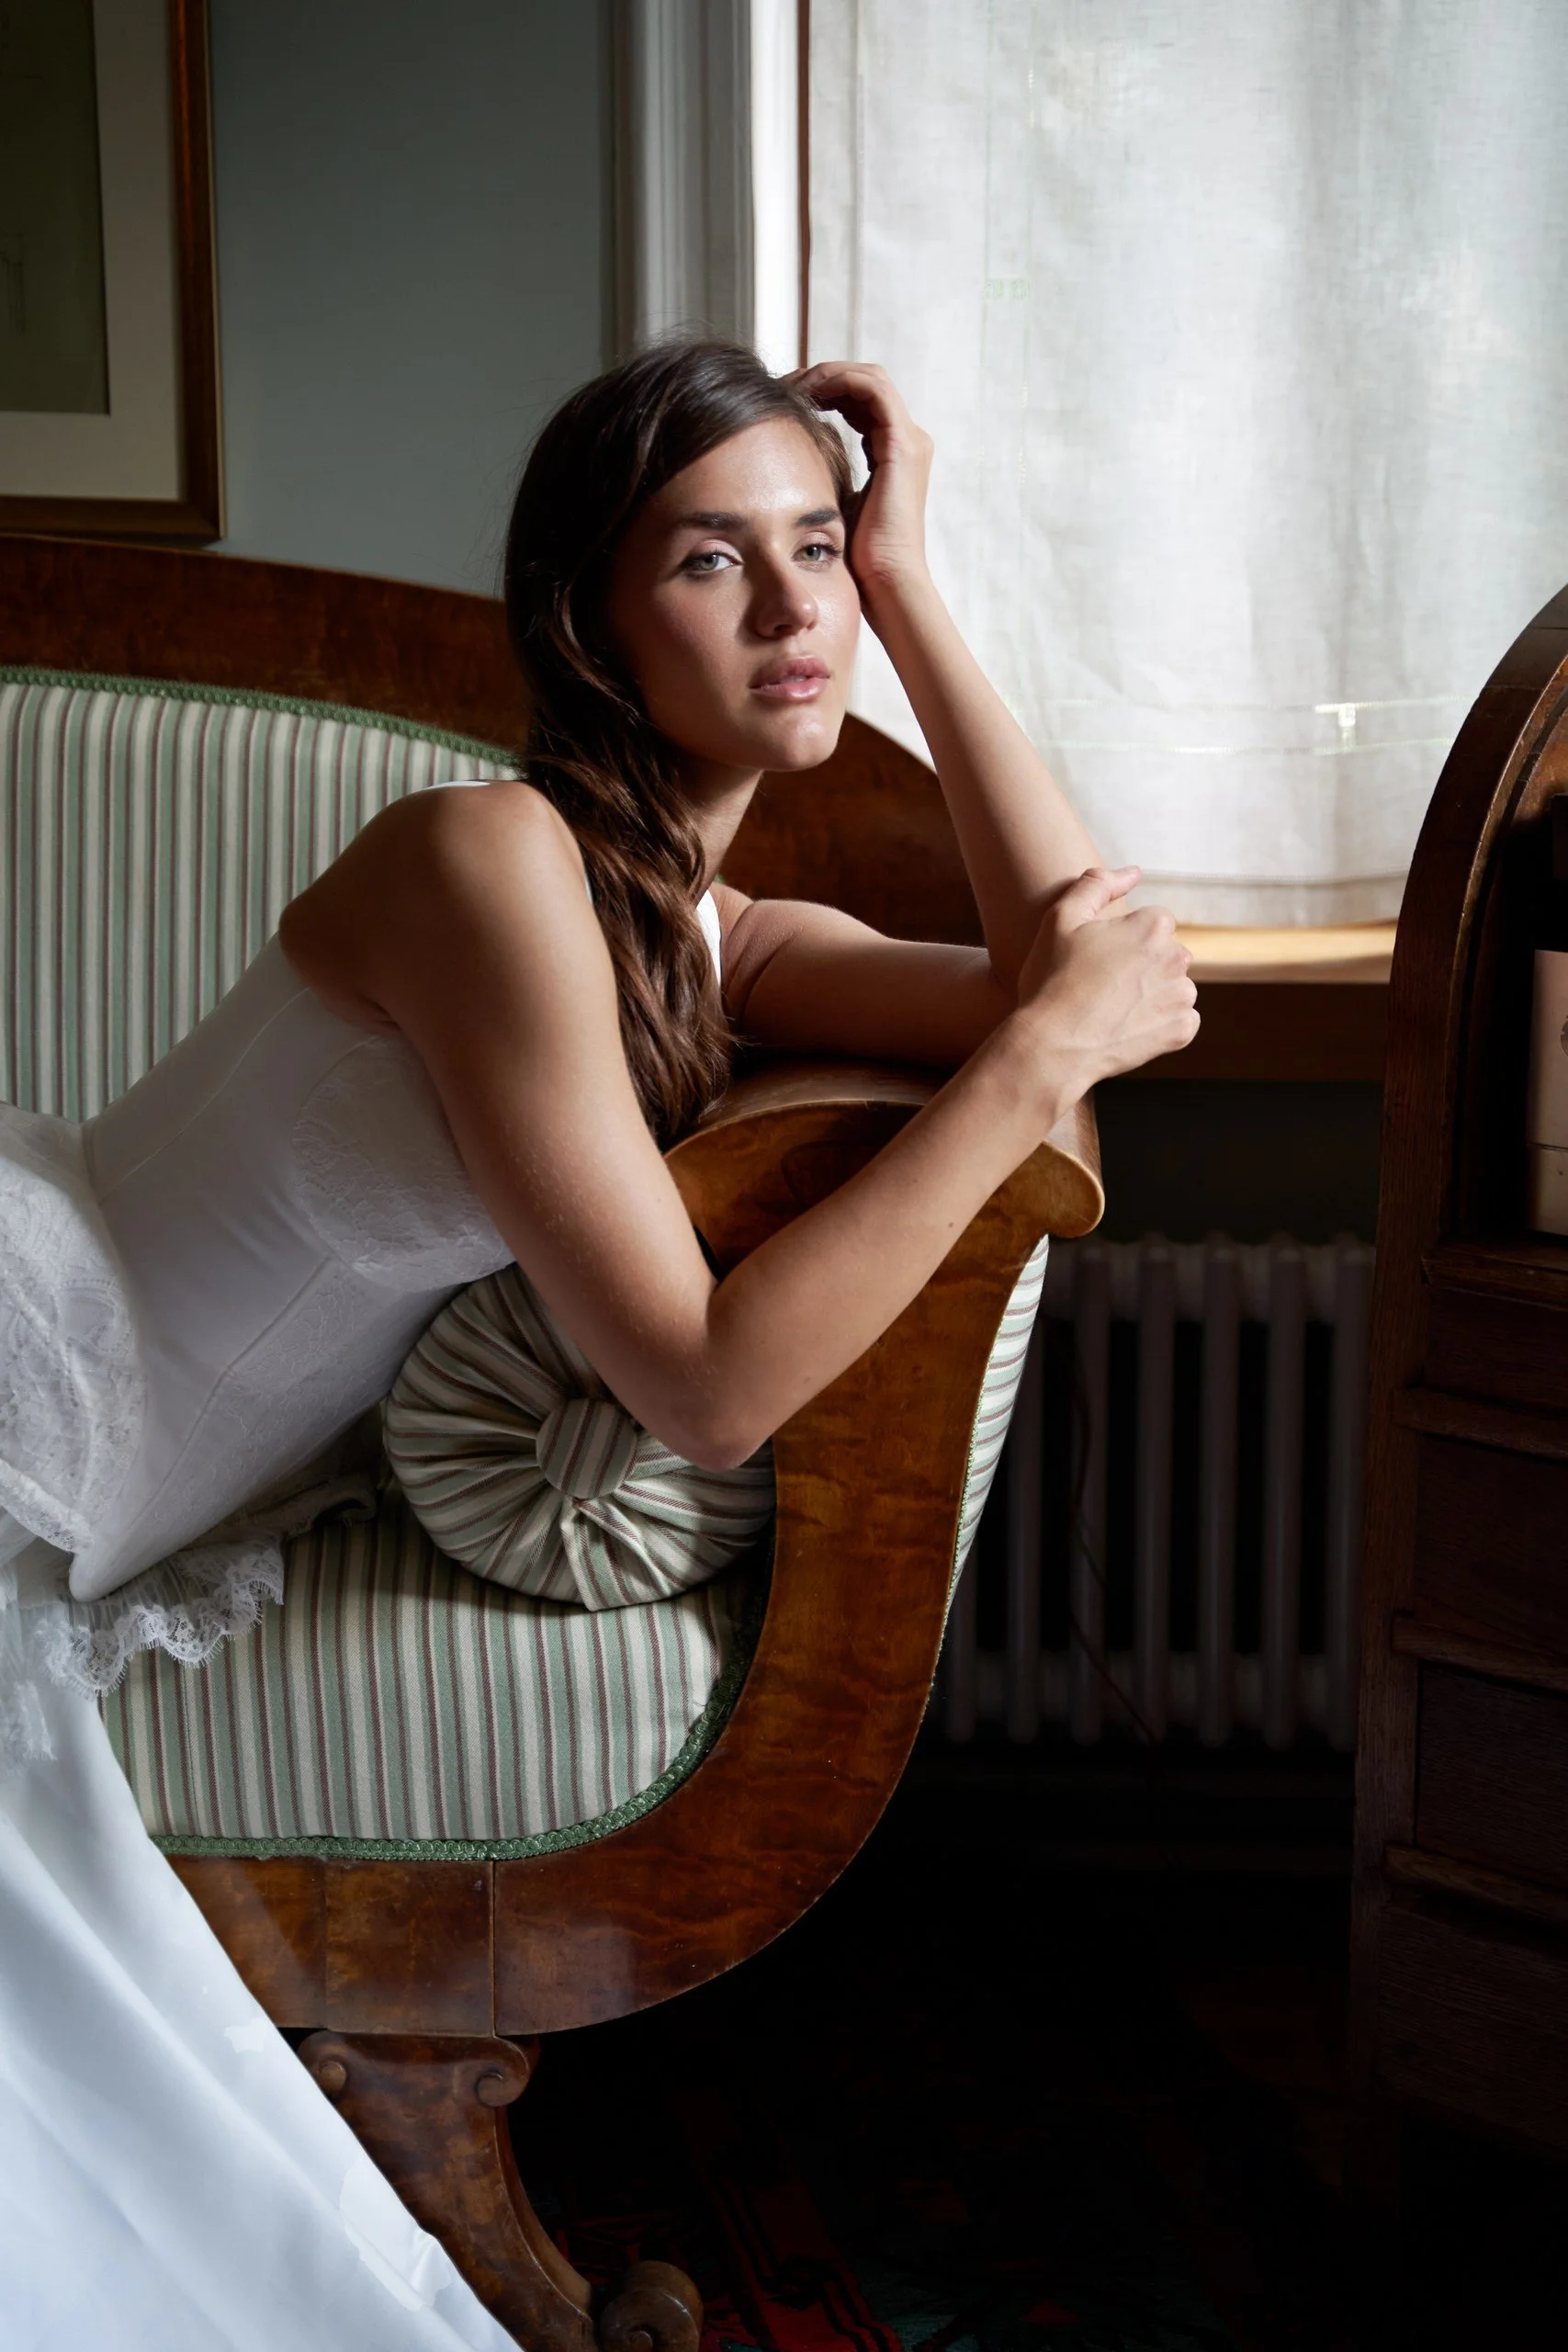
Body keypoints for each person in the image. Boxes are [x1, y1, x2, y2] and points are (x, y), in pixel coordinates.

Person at [0, 342, 1196, 2347]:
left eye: (814, 551)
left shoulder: (718, 944)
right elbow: (704, 1380)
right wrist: (1033, 1068)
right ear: (586, 617)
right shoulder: (486, 860)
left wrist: (913, 587)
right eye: (714, 561)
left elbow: (1058, 965)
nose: (793, 607)